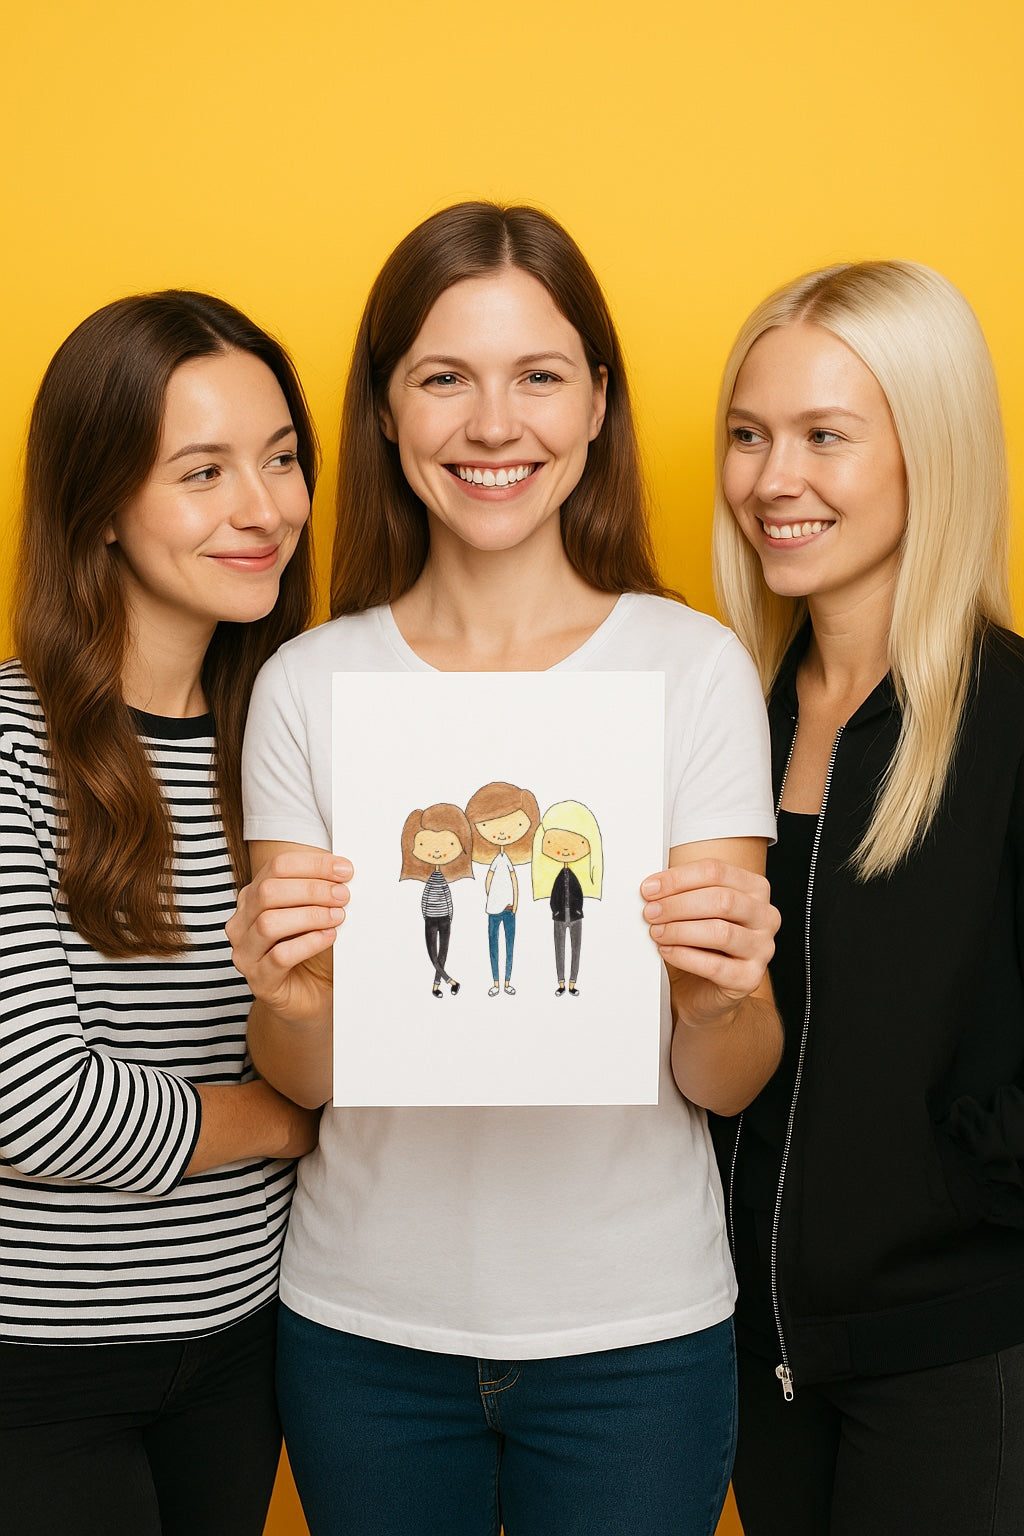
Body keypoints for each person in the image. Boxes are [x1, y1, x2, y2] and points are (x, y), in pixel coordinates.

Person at [229, 201, 781, 1536]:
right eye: (444, 379)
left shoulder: (692, 667)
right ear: (384, 411)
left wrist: (721, 996)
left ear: (597, 403)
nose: (494, 425)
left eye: (538, 376)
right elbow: (307, 1073)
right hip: (364, 1328)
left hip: (636, 1334)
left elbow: (725, 1077)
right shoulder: (309, 684)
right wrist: (291, 1002)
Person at [710, 261, 1024, 1535]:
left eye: (824, 436)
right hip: (749, 1360)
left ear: (928, 452)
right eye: (746, 435)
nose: (771, 479)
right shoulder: (722, 721)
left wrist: (966, 1186)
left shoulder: (1009, 722)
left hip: (953, 1361)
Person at [0, 290, 321, 1536]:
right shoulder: (16, 739)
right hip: (41, 1366)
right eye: (202, 472)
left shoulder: (293, 745)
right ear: (101, 508)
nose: (263, 508)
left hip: (243, 1349)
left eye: (281, 458)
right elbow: (33, 1102)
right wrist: (287, 1120)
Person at [465, 780, 540, 996]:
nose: (502, 834)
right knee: (493, 945)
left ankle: (506, 982)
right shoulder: (496, 861)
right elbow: (488, 880)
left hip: (508, 908)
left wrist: (515, 902)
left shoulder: (506, 861)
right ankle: (496, 982)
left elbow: (514, 881)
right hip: (494, 909)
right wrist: (490, 898)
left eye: (515, 825)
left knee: (509, 945)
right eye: (488, 825)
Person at [399, 801, 475, 995]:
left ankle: (436, 986)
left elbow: (448, 899)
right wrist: (425, 914)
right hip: (431, 918)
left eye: (449, 844)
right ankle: (448, 980)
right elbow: (425, 900)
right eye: (424, 844)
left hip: (444, 918)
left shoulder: (442, 881)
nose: (437, 852)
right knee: (432, 953)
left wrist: (450, 915)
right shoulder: (431, 881)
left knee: (443, 953)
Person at [530, 798, 603, 995]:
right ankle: (561, 983)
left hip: (576, 916)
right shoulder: (559, 877)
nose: (564, 850)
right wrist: (555, 910)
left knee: (575, 950)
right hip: (559, 917)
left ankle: (572, 983)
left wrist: (578, 909)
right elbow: (554, 896)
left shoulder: (573, 877)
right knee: (559, 950)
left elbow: (579, 894)